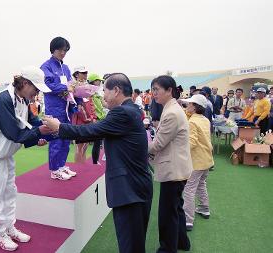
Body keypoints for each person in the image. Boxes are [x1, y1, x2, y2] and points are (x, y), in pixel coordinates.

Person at [43, 73, 153, 253]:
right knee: (134, 243)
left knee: (130, 246)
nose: (103, 96)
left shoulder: (122, 112)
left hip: (130, 191)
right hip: (136, 188)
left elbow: (91, 130)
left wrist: (59, 127)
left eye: (105, 91)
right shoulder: (132, 109)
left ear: (116, 90)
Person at [0, 66, 53, 251]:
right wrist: (37, 133)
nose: (36, 93)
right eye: (36, 88)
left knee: (9, 192)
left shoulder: (23, 99)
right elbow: (13, 133)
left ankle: (9, 227)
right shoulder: (4, 99)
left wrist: (44, 127)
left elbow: (32, 122)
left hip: (6, 153)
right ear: (25, 83)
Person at [148, 75, 192, 253]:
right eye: (152, 90)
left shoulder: (172, 112)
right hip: (178, 167)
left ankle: (167, 248)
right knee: (176, 209)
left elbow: (158, 144)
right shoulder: (171, 108)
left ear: (169, 91)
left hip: (173, 170)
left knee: (167, 213)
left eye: (157, 90)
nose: (153, 93)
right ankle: (182, 242)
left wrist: (141, 147)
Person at [40, 37, 77, 180]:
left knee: (66, 139)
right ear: (53, 49)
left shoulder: (66, 68)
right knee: (56, 140)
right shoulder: (46, 66)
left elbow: (71, 87)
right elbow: (46, 86)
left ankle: (61, 166)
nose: (63, 52)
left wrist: (76, 93)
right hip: (54, 109)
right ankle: (54, 170)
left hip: (67, 109)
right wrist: (65, 87)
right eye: (60, 49)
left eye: (65, 50)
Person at [181, 94, 214, 231]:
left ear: (195, 107)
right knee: (201, 184)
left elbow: (192, 143)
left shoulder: (192, 122)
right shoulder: (205, 120)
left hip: (197, 161)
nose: (187, 105)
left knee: (189, 189)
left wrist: (180, 151)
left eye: (189, 104)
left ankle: (188, 219)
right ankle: (204, 208)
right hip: (207, 160)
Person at [88, 73, 107, 165]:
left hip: (101, 119)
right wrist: (93, 118)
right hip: (95, 120)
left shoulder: (97, 93)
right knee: (96, 141)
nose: (100, 83)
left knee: (98, 141)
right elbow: (89, 108)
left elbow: (104, 104)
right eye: (98, 81)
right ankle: (95, 162)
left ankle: (96, 160)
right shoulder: (88, 93)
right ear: (93, 81)